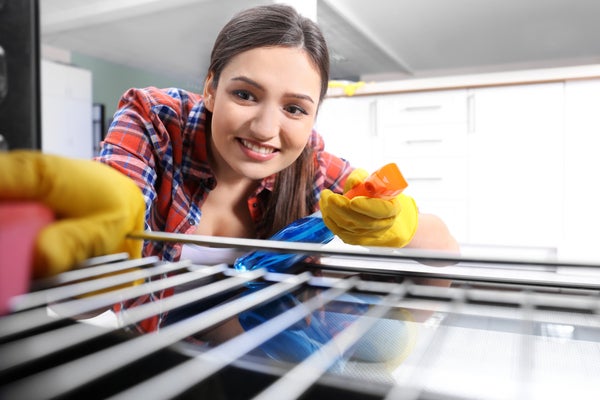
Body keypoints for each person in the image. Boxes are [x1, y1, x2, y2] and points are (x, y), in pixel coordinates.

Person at [95, 4, 459, 268]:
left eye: (295, 109)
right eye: (245, 95)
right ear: (210, 88)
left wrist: (398, 224)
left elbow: (447, 252)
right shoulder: (154, 121)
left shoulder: (310, 164)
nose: (266, 129)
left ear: (314, 114)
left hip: (265, 363)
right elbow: (89, 284)